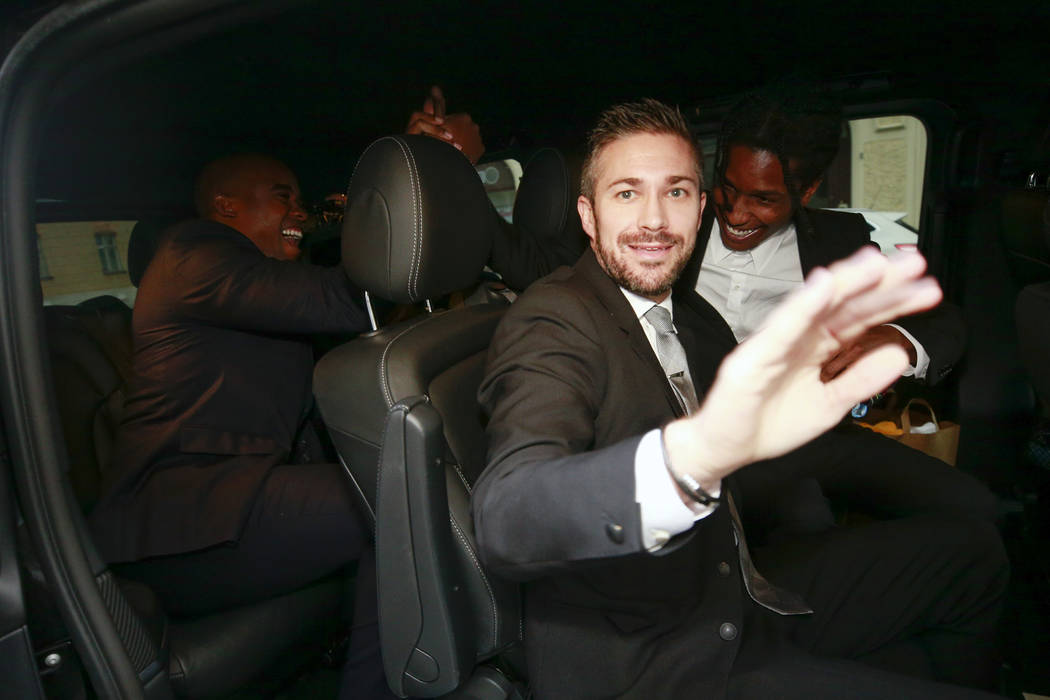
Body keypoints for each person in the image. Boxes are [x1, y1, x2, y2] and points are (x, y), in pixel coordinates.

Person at [473, 99, 1008, 698]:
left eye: (675, 192)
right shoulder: (552, 321)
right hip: (665, 655)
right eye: (626, 193)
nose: (653, 219)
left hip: (740, 579)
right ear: (588, 215)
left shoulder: (693, 313)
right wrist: (694, 457)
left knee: (975, 553)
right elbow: (509, 514)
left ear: (696, 210)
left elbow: (937, 318)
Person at [88, 154, 392, 698]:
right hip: (174, 524)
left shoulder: (249, 273)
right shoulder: (194, 254)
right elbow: (335, 299)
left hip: (224, 503)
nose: (298, 209)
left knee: (396, 486)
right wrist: (402, 209)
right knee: (395, 498)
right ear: (226, 206)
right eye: (283, 196)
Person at [671, 86, 996, 539]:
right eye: (728, 186)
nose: (737, 213)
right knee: (804, 522)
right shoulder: (677, 225)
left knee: (974, 508)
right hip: (700, 430)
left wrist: (897, 338)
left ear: (808, 189)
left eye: (763, 199)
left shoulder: (840, 241)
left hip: (814, 433)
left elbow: (941, 318)